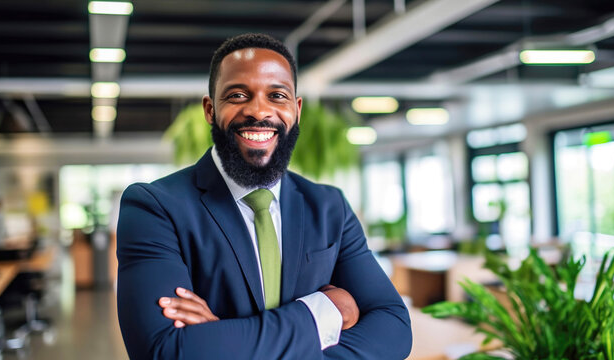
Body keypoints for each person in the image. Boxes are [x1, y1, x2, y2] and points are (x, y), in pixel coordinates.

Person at [117, 33, 412, 359]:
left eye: (277, 95)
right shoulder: (154, 208)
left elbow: (394, 329)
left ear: (296, 110)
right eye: (238, 95)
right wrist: (322, 312)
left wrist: (224, 338)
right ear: (210, 109)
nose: (259, 110)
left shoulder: (330, 208)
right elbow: (164, 351)